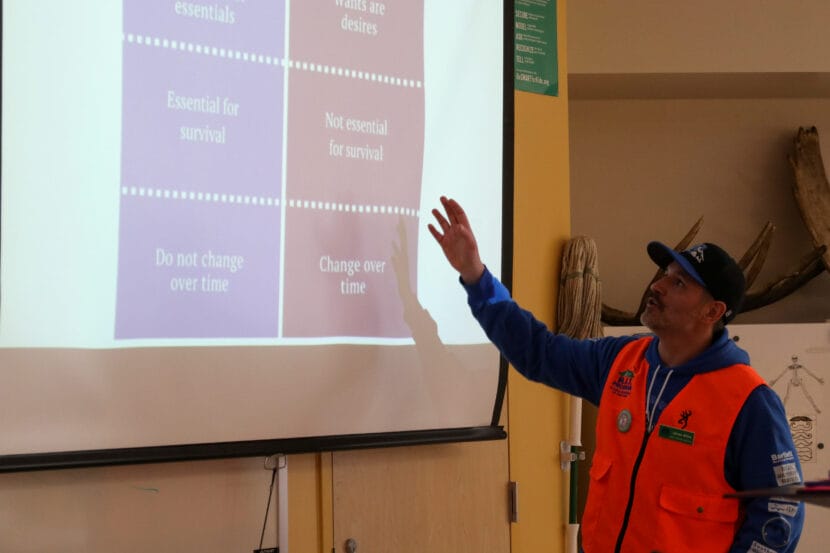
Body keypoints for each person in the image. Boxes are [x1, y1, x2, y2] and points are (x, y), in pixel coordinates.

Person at [428, 196, 804, 553]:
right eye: (664, 274)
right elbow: (537, 352)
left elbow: (781, 511)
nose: (656, 286)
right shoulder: (620, 361)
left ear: (712, 312)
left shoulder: (748, 401)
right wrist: (475, 276)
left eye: (679, 283)